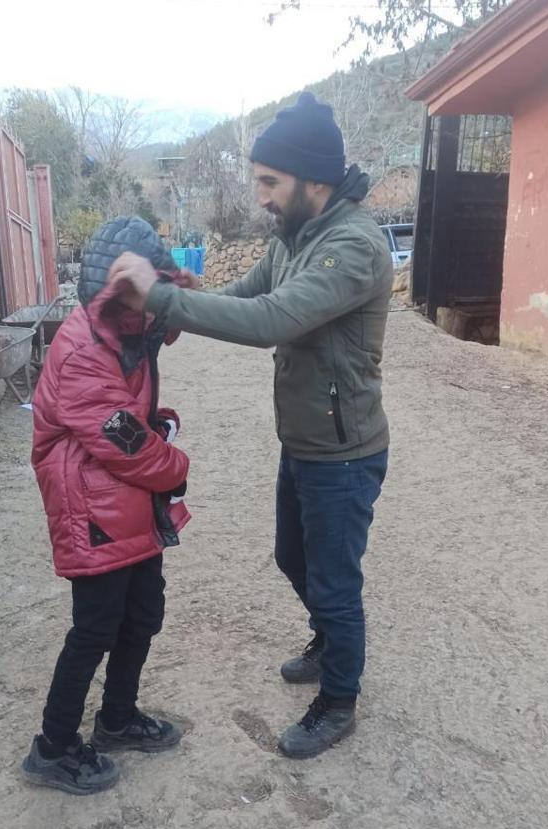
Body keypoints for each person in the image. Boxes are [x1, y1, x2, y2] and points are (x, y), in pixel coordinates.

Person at [109, 93, 393, 760]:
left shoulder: (351, 247)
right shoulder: (296, 236)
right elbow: (245, 298)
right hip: (305, 442)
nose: (261, 195)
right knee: (294, 558)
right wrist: (175, 303)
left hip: (344, 453)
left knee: (333, 579)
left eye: (269, 181)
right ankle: (329, 639)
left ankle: (339, 697)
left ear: (312, 179)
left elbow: (271, 320)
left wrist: (158, 295)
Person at [22, 217, 191, 795]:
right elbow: (122, 442)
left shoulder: (128, 336)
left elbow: (131, 417)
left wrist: (174, 294)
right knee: (94, 627)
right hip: (88, 507)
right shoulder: (82, 350)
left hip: (126, 504)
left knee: (143, 614)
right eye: (148, 296)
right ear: (117, 296)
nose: (155, 311)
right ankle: (54, 747)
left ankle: (117, 718)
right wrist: (176, 465)